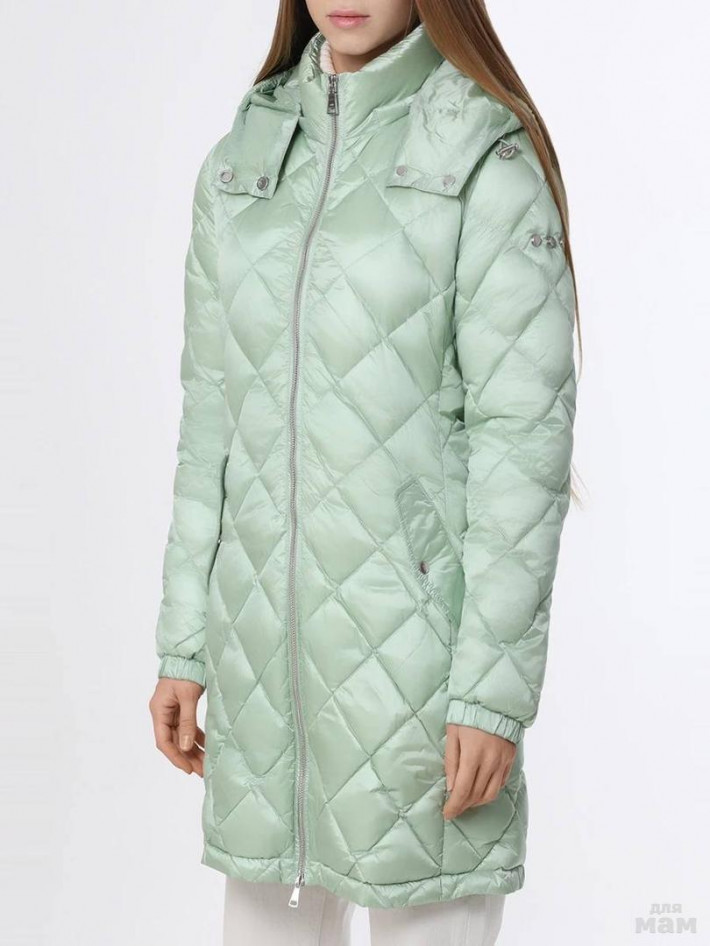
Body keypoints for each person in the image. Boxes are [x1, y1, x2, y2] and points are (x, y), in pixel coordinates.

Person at [148, 1, 579, 943]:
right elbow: (210, 417)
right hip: (262, 670)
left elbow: (523, 449)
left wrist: (491, 695)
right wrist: (184, 644)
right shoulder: (247, 156)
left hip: (422, 674)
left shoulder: (484, 156)